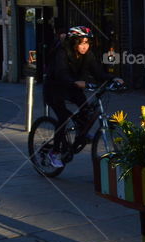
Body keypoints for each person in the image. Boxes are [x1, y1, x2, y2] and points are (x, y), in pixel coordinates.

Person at [43, 26, 124, 168]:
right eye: (81, 43)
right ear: (74, 42)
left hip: (74, 87)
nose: (84, 46)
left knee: (86, 110)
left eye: (87, 43)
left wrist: (114, 78)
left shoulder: (88, 55)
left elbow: (98, 73)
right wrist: (74, 82)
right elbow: (61, 73)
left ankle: (81, 134)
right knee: (64, 117)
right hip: (55, 88)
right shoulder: (62, 53)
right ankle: (54, 153)